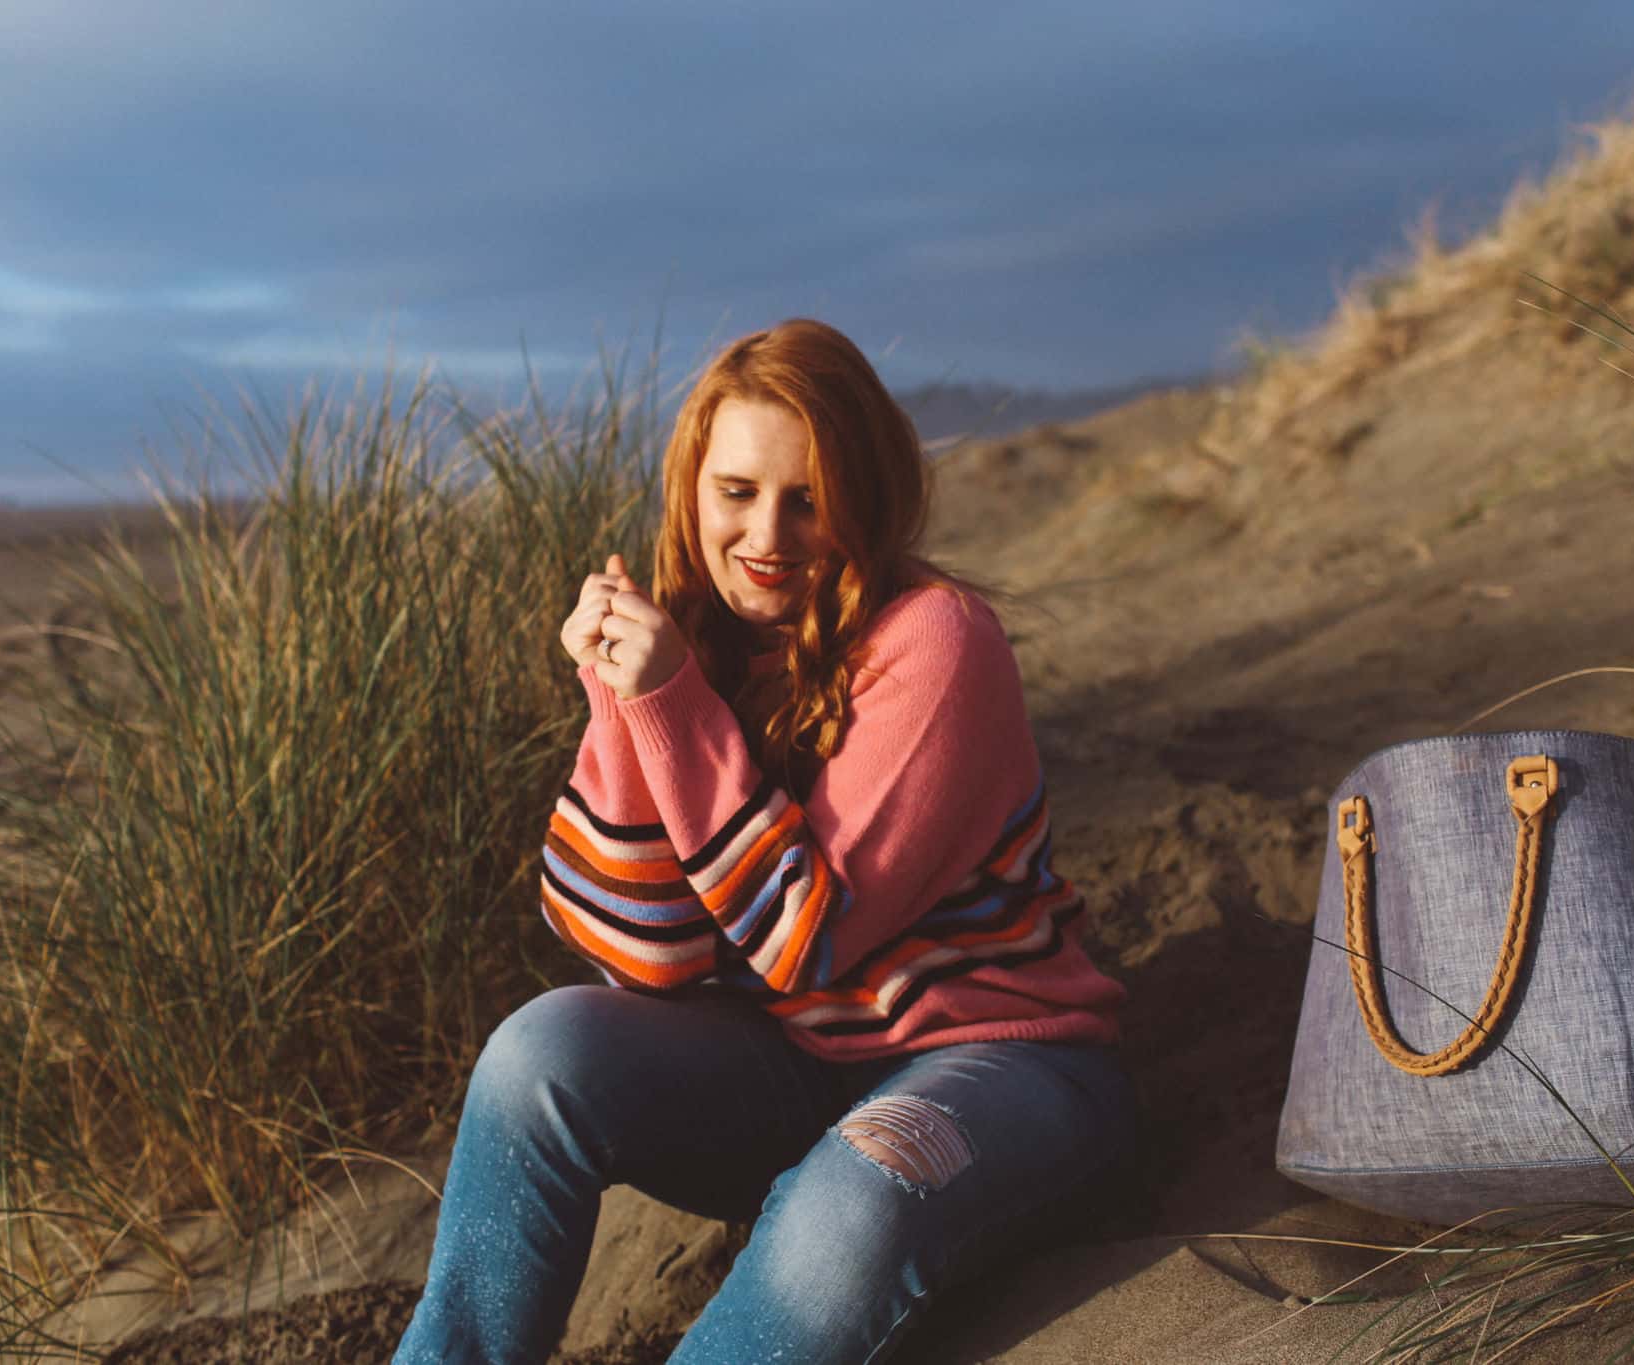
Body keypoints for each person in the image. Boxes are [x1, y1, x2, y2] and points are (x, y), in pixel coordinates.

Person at [393, 319, 1135, 1364]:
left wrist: (669, 703)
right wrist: (622, 697)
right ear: (691, 491)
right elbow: (642, 956)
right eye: (737, 492)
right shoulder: (693, 646)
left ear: (863, 496)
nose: (767, 535)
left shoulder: (938, 641)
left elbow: (806, 939)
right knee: (535, 1056)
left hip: (997, 1067)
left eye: (807, 499)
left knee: (851, 1195)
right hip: (795, 1066)